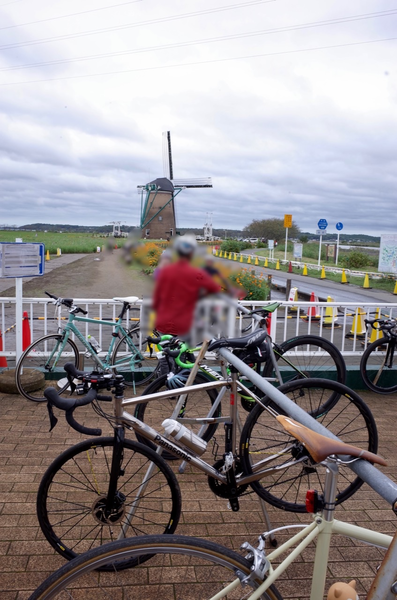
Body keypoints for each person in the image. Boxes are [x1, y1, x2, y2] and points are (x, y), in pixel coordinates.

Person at [152, 235, 221, 337]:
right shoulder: (196, 273)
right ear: (191, 254)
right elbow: (215, 289)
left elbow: (156, 300)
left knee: (165, 351)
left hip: (164, 322)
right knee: (183, 352)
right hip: (184, 324)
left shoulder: (165, 272)